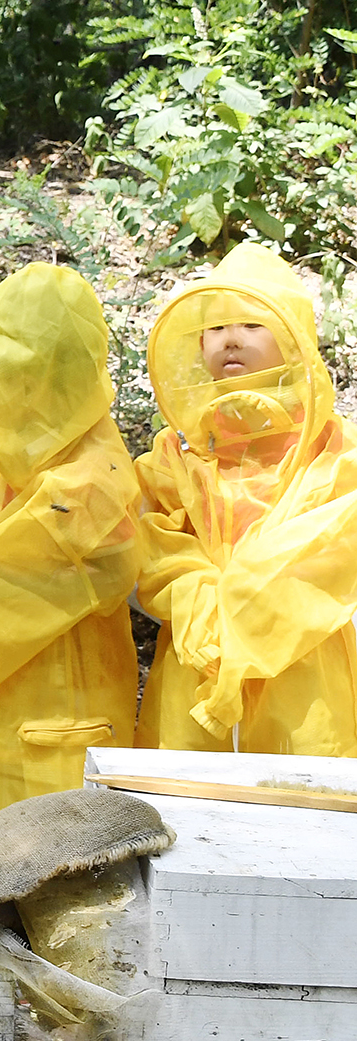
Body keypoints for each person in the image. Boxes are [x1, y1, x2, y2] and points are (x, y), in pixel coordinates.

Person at [0, 264, 142, 820]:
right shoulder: (69, 455)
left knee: (45, 883)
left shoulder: (81, 490)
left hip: (52, 744)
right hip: (32, 727)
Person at [136, 242, 357, 755]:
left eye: (252, 325)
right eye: (216, 328)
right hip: (198, 659)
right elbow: (152, 540)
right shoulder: (176, 447)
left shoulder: (334, 445)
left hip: (302, 662)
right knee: (190, 815)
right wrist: (203, 606)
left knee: (301, 804)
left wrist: (244, 603)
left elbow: (332, 546)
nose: (231, 340)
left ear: (293, 337)